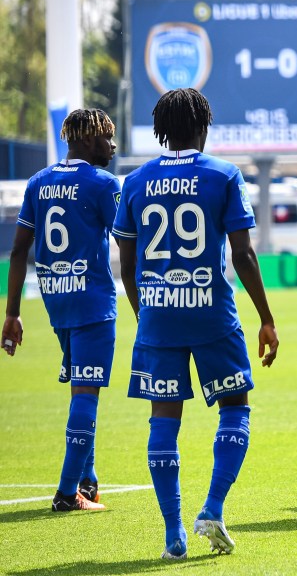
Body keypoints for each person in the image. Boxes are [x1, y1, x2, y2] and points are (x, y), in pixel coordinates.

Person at [113, 88, 279, 559]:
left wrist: (145, 315)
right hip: (212, 313)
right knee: (235, 407)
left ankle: (173, 535)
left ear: (160, 129)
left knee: (163, 419)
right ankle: (212, 508)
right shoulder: (223, 175)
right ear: (203, 126)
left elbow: (126, 265)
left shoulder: (136, 180)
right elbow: (243, 253)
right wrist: (266, 318)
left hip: (158, 316)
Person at [2, 109, 119, 513]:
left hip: (56, 300)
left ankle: (87, 480)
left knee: (79, 389)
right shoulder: (103, 183)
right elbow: (130, 240)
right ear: (86, 140)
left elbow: (19, 250)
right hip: (93, 302)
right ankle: (67, 493)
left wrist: (12, 314)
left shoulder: (38, 182)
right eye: (107, 137)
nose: (113, 145)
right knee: (87, 393)